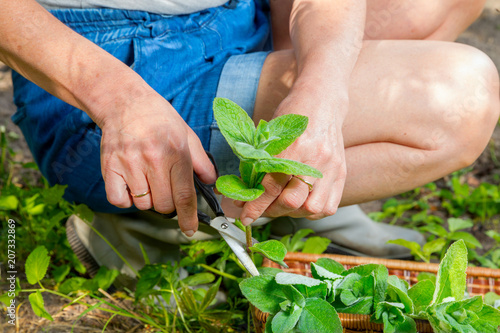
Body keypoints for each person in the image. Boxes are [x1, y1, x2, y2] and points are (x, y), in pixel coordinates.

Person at [1, 0, 499, 277]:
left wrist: (322, 98)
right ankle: (155, 220)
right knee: (459, 97)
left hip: (239, 20)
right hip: (100, 63)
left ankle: (301, 188)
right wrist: (119, 100)